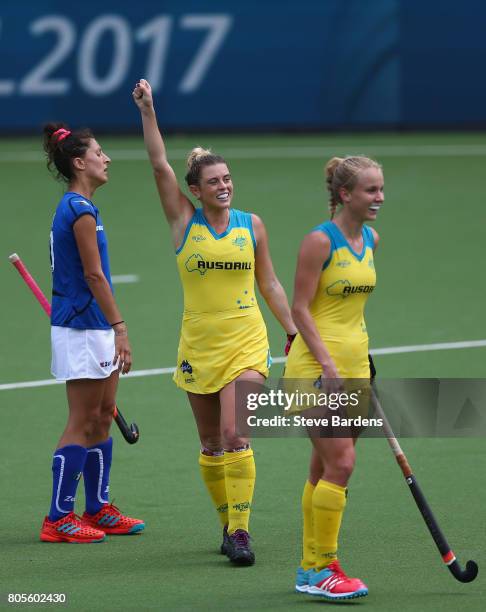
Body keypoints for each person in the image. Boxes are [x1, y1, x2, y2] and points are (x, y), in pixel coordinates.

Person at [132, 79, 297, 566]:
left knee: (234, 435)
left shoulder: (253, 225)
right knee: (208, 444)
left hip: (246, 342)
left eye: (228, 178)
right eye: (214, 181)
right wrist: (148, 111)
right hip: (198, 344)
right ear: (195, 191)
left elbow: (269, 284)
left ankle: (242, 534)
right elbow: (159, 165)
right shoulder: (185, 223)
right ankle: (228, 523)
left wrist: (291, 331)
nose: (224, 185)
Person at [40, 123, 145, 543]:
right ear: (79, 162)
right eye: (100, 153)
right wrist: (120, 327)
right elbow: (93, 275)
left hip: (93, 325)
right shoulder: (78, 211)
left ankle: (97, 507)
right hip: (84, 326)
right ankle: (57, 518)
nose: (107, 159)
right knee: (82, 420)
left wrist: (110, 326)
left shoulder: (84, 208)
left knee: (102, 416)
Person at [285, 156, 384, 599]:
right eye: (370, 190)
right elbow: (300, 308)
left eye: (381, 189)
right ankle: (325, 567)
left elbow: (351, 313)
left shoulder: (371, 239)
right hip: (315, 371)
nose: (379, 198)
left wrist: (361, 358)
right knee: (341, 463)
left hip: (356, 368)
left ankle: (309, 571)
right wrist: (327, 364)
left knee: (324, 466)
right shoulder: (318, 242)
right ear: (345, 194)